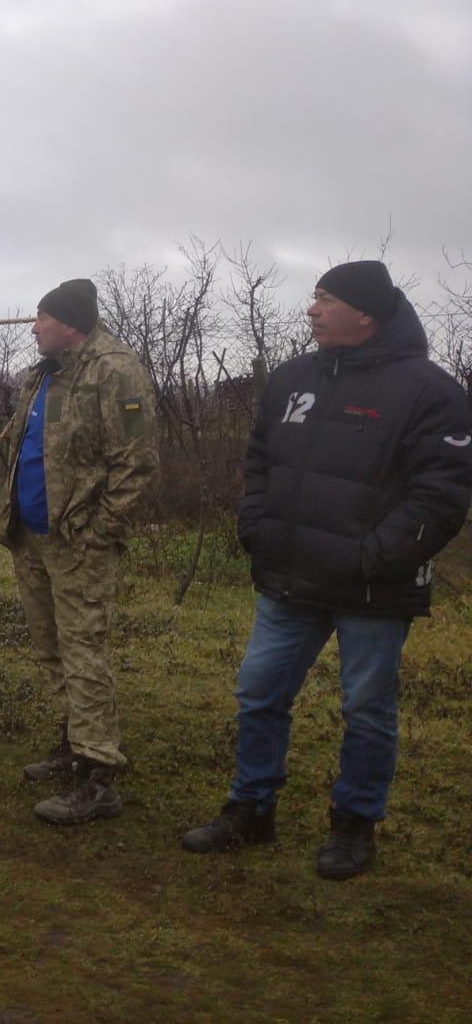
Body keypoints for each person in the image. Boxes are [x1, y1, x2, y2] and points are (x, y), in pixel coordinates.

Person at [182, 261, 471, 879]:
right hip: (289, 575)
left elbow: (442, 493)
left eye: (325, 299)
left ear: (365, 313)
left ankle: (354, 825)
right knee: (259, 693)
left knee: (366, 708)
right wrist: (255, 527)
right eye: (313, 297)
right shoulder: (291, 377)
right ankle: (251, 809)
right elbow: (259, 459)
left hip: (373, 585)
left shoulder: (430, 390)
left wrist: (376, 557)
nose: (311, 309)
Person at [0, 278, 158, 826]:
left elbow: (136, 462)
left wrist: (100, 528)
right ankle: (75, 742)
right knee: (53, 649)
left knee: (84, 652)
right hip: (33, 535)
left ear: (70, 323)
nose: (34, 328)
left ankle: (99, 775)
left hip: (78, 542)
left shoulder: (115, 370)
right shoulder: (44, 375)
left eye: (41, 318)